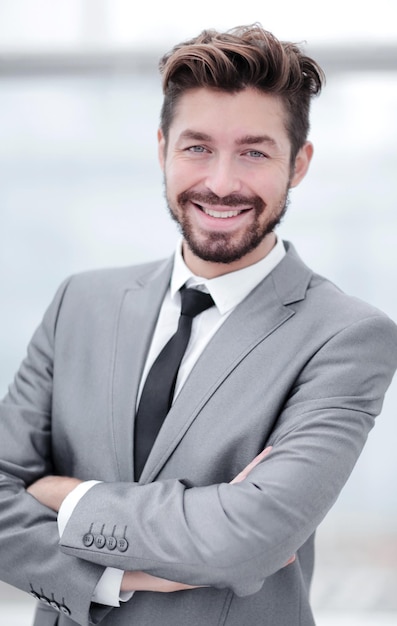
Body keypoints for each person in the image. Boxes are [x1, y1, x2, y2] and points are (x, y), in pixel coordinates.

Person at [0, 24, 396, 626]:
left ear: (299, 164)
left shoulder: (345, 336)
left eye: (255, 152)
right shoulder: (80, 302)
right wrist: (113, 576)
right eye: (197, 147)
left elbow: (248, 540)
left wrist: (65, 495)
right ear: (163, 149)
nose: (221, 182)